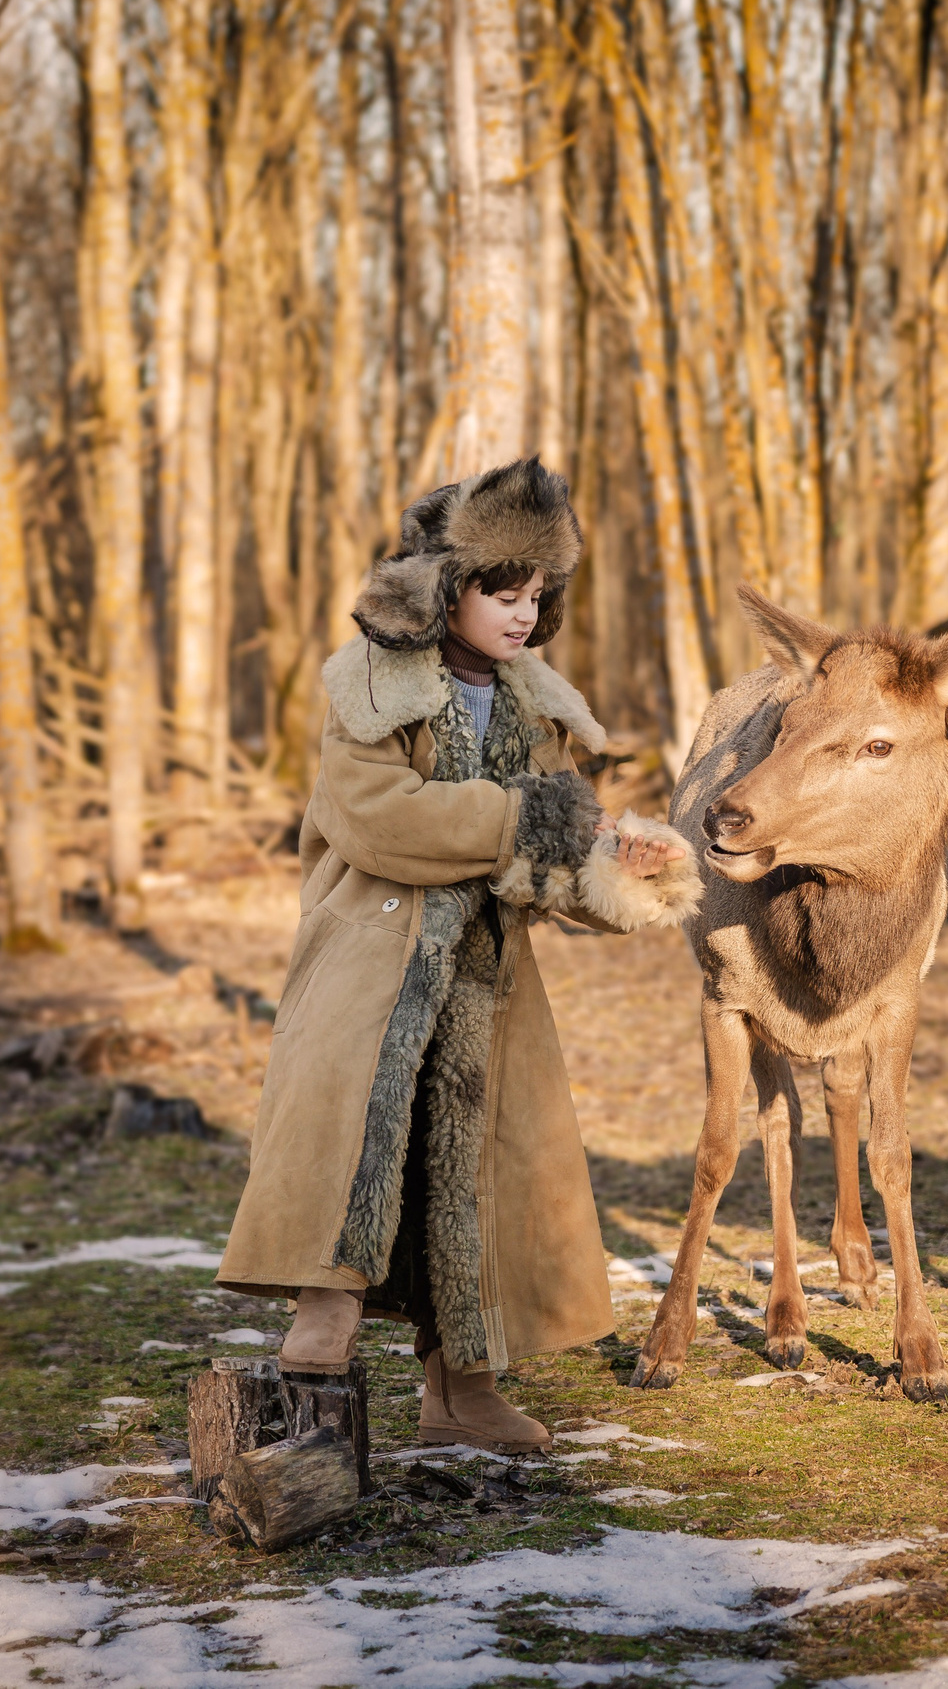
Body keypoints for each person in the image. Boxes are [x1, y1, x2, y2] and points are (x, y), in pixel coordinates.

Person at [215, 457, 700, 1454]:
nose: (522, 615)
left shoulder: (536, 709)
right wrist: (532, 817)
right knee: (358, 1134)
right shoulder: (371, 685)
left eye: (536, 596)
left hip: (487, 980)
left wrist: (628, 864)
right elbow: (381, 821)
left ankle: (463, 1386)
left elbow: (557, 864)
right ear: (447, 587)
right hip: (372, 961)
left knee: (472, 1169)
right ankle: (327, 1305)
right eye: (500, 592)